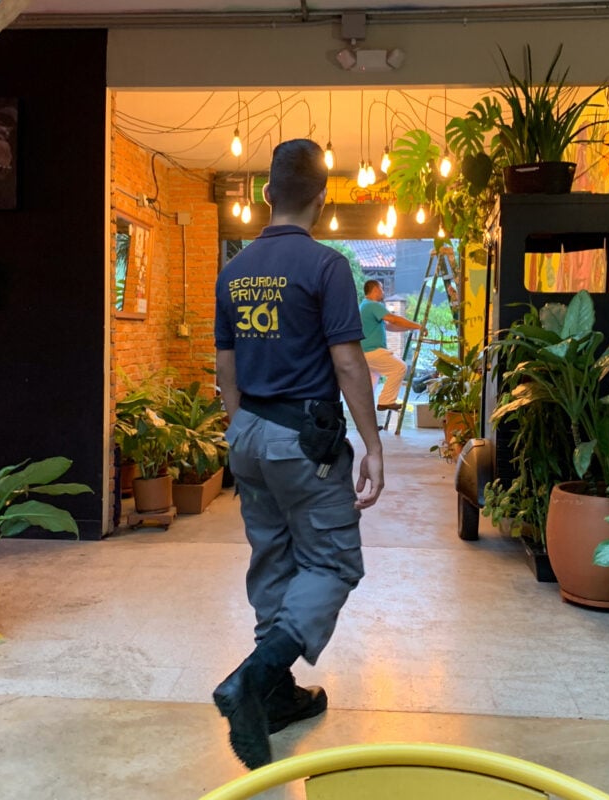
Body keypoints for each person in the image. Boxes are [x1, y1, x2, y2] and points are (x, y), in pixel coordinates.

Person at [213, 139, 385, 770]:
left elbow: (225, 366)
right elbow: (347, 361)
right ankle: (253, 682)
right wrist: (372, 446)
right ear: (323, 196)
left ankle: (279, 697)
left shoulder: (233, 270)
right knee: (333, 564)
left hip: (250, 434)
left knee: (274, 559)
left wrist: (242, 433)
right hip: (303, 441)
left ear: (266, 194)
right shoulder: (327, 266)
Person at [359, 279, 426, 411]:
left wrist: (411, 328)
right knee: (399, 367)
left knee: (369, 388)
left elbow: (390, 327)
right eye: (382, 289)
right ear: (376, 289)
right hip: (372, 351)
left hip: (365, 353)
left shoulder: (364, 306)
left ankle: (366, 423)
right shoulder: (373, 305)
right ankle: (386, 401)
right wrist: (418, 326)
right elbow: (393, 319)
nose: (383, 292)